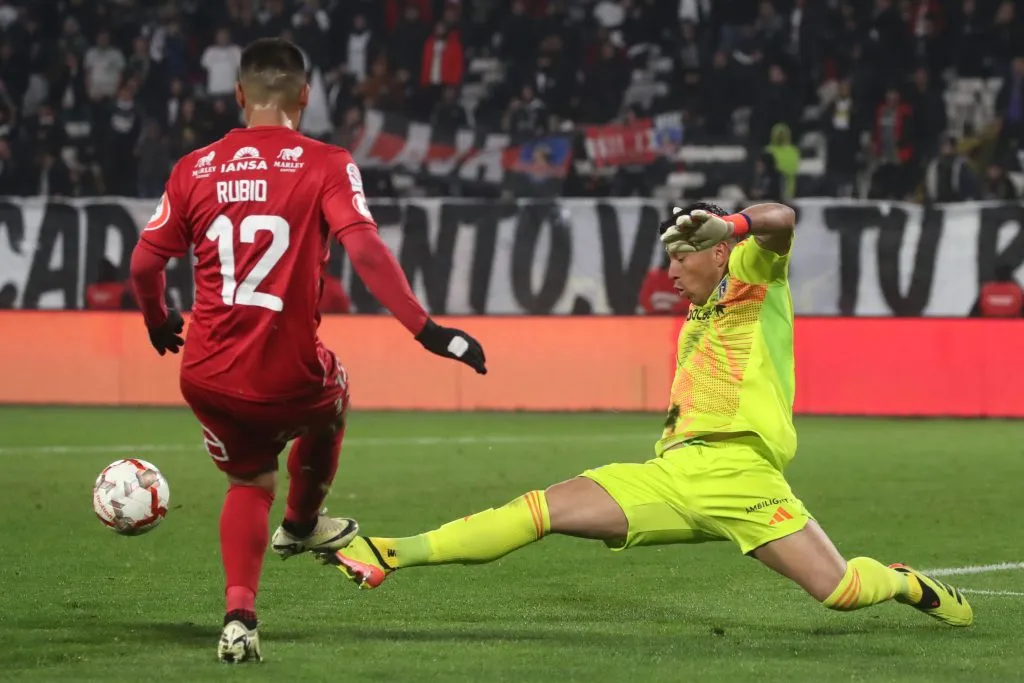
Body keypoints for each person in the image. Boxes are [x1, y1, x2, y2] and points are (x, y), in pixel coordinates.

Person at [321, 202, 974, 632]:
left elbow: (783, 219)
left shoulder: (753, 275)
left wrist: (736, 225)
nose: (670, 271)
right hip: (671, 472)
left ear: (714, 252)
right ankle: (388, 552)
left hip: (744, 475)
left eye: (679, 257)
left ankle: (901, 582)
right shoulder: (696, 312)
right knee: (541, 507)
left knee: (840, 591)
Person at [128, 38, 487, 664]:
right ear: (305, 96)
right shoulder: (324, 162)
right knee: (335, 395)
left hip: (206, 373)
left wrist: (159, 322)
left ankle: (240, 617)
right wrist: (427, 329)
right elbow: (366, 249)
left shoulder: (195, 168)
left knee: (247, 480)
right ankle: (301, 523)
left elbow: (143, 263)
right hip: (285, 376)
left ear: (240, 94)